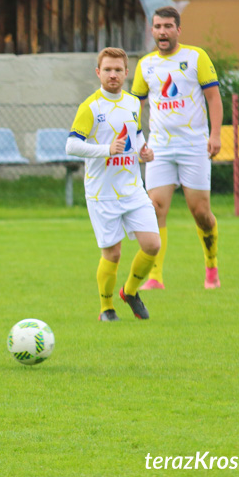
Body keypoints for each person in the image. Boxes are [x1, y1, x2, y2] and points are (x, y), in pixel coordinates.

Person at [131, 6, 223, 291]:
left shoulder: (196, 57)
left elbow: (214, 98)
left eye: (168, 26)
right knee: (155, 208)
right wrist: (137, 141)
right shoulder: (145, 64)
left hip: (194, 145)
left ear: (178, 30)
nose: (162, 31)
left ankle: (211, 267)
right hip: (159, 147)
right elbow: (135, 106)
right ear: (152, 30)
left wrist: (216, 135)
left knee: (201, 212)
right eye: (158, 26)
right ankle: (155, 277)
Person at [66, 48, 161, 321]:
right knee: (113, 252)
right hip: (102, 192)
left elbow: (137, 135)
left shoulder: (133, 103)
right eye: (107, 69)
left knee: (153, 245)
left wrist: (145, 151)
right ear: (98, 72)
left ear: (126, 73)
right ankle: (106, 308)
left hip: (133, 188)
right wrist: (106, 149)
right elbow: (71, 145)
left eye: (118, 70)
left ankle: (130, 292)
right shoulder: (91, 106)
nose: (112, 75)